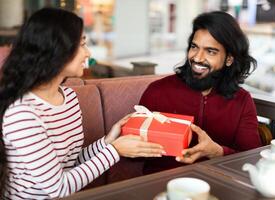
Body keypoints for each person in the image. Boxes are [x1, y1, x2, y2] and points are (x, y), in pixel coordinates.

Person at [0, 8, 164, 199]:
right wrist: (116, 150)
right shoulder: (22, 114)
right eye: (82, 45)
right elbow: (58, 188)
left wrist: (108, 141)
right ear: (56, 50)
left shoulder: (68, 97)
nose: (88, 53)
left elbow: (72, 162)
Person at [139, 11, 262, 174]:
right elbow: (130, 153)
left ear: (229, 59)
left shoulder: (242, 100)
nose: (197, 57)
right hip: (160, 186)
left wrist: (218, 152)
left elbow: (251, 160)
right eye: (194, 47)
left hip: (218, 187)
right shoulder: (157, 91)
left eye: (210, 51)